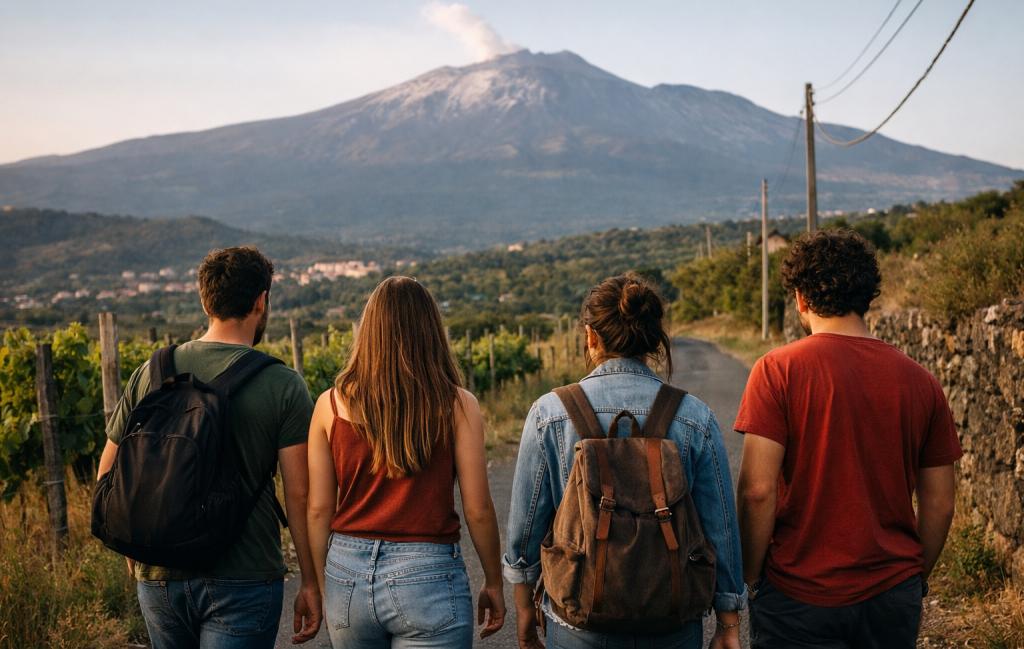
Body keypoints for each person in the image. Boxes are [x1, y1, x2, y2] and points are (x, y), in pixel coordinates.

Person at [735, 228, 961, 648]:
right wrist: (915, 580)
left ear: (801, 299)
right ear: (868, 296)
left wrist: (750, 578)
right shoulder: (922, 382)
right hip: (893, 594)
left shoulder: (777, 370)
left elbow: (758, 491)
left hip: (798, 595)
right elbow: (941, 504)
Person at [505, 274, 747, 649]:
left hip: (577, 623)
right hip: (672, 623)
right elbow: (720, 528)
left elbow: (527, 529)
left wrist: (524, 608)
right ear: (653, 340)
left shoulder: (549, 414)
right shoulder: (694, 417)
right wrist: (729, 622)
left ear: (591, 336)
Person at [97, 246, 322, 648]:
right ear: (261, 301)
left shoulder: (150, 373)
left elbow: (108, 475)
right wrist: (310, 580)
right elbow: (300, 496)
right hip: (245, 575)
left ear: (205, 300)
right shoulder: (283, 385)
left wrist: (133, 547)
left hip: (159, 576)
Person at [307, 276, 506, 648]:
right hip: (428, 573)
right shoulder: (459, 405)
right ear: (432, 330)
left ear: (368, 330)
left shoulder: (329, 406)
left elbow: (318, 510)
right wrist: (494, 582)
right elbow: (478, 508)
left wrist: (322, 586)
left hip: (346, 575)